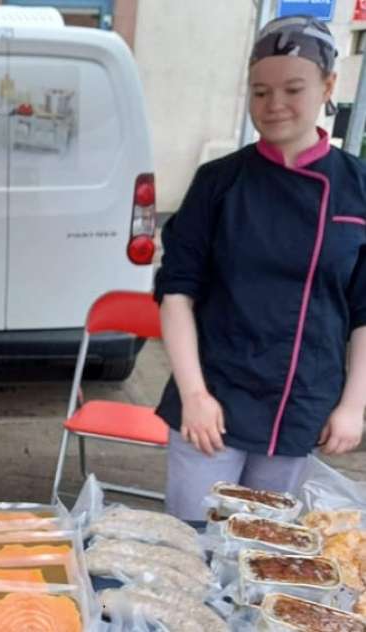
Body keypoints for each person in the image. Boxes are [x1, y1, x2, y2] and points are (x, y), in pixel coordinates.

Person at [154, 15, 366, 521]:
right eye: (259, 91)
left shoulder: (358, 187)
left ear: (328, 86)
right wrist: (194, 394)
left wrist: (353, 406)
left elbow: (363, 312)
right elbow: (176, 292)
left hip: (302, 406)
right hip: (215, 399)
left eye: (292, 89)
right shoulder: (219, 182)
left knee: (268, 550)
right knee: (193, 544)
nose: (273, 106)